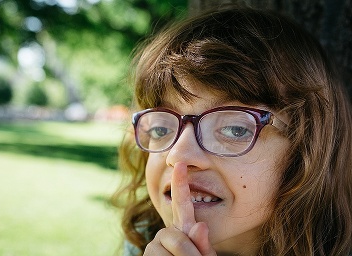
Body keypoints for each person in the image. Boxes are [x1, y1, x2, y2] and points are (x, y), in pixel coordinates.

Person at [111, 6, 352, 255]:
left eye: (236, 129)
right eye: (162, 129)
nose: (178, 156)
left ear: (306, 150)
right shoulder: (144, 242)